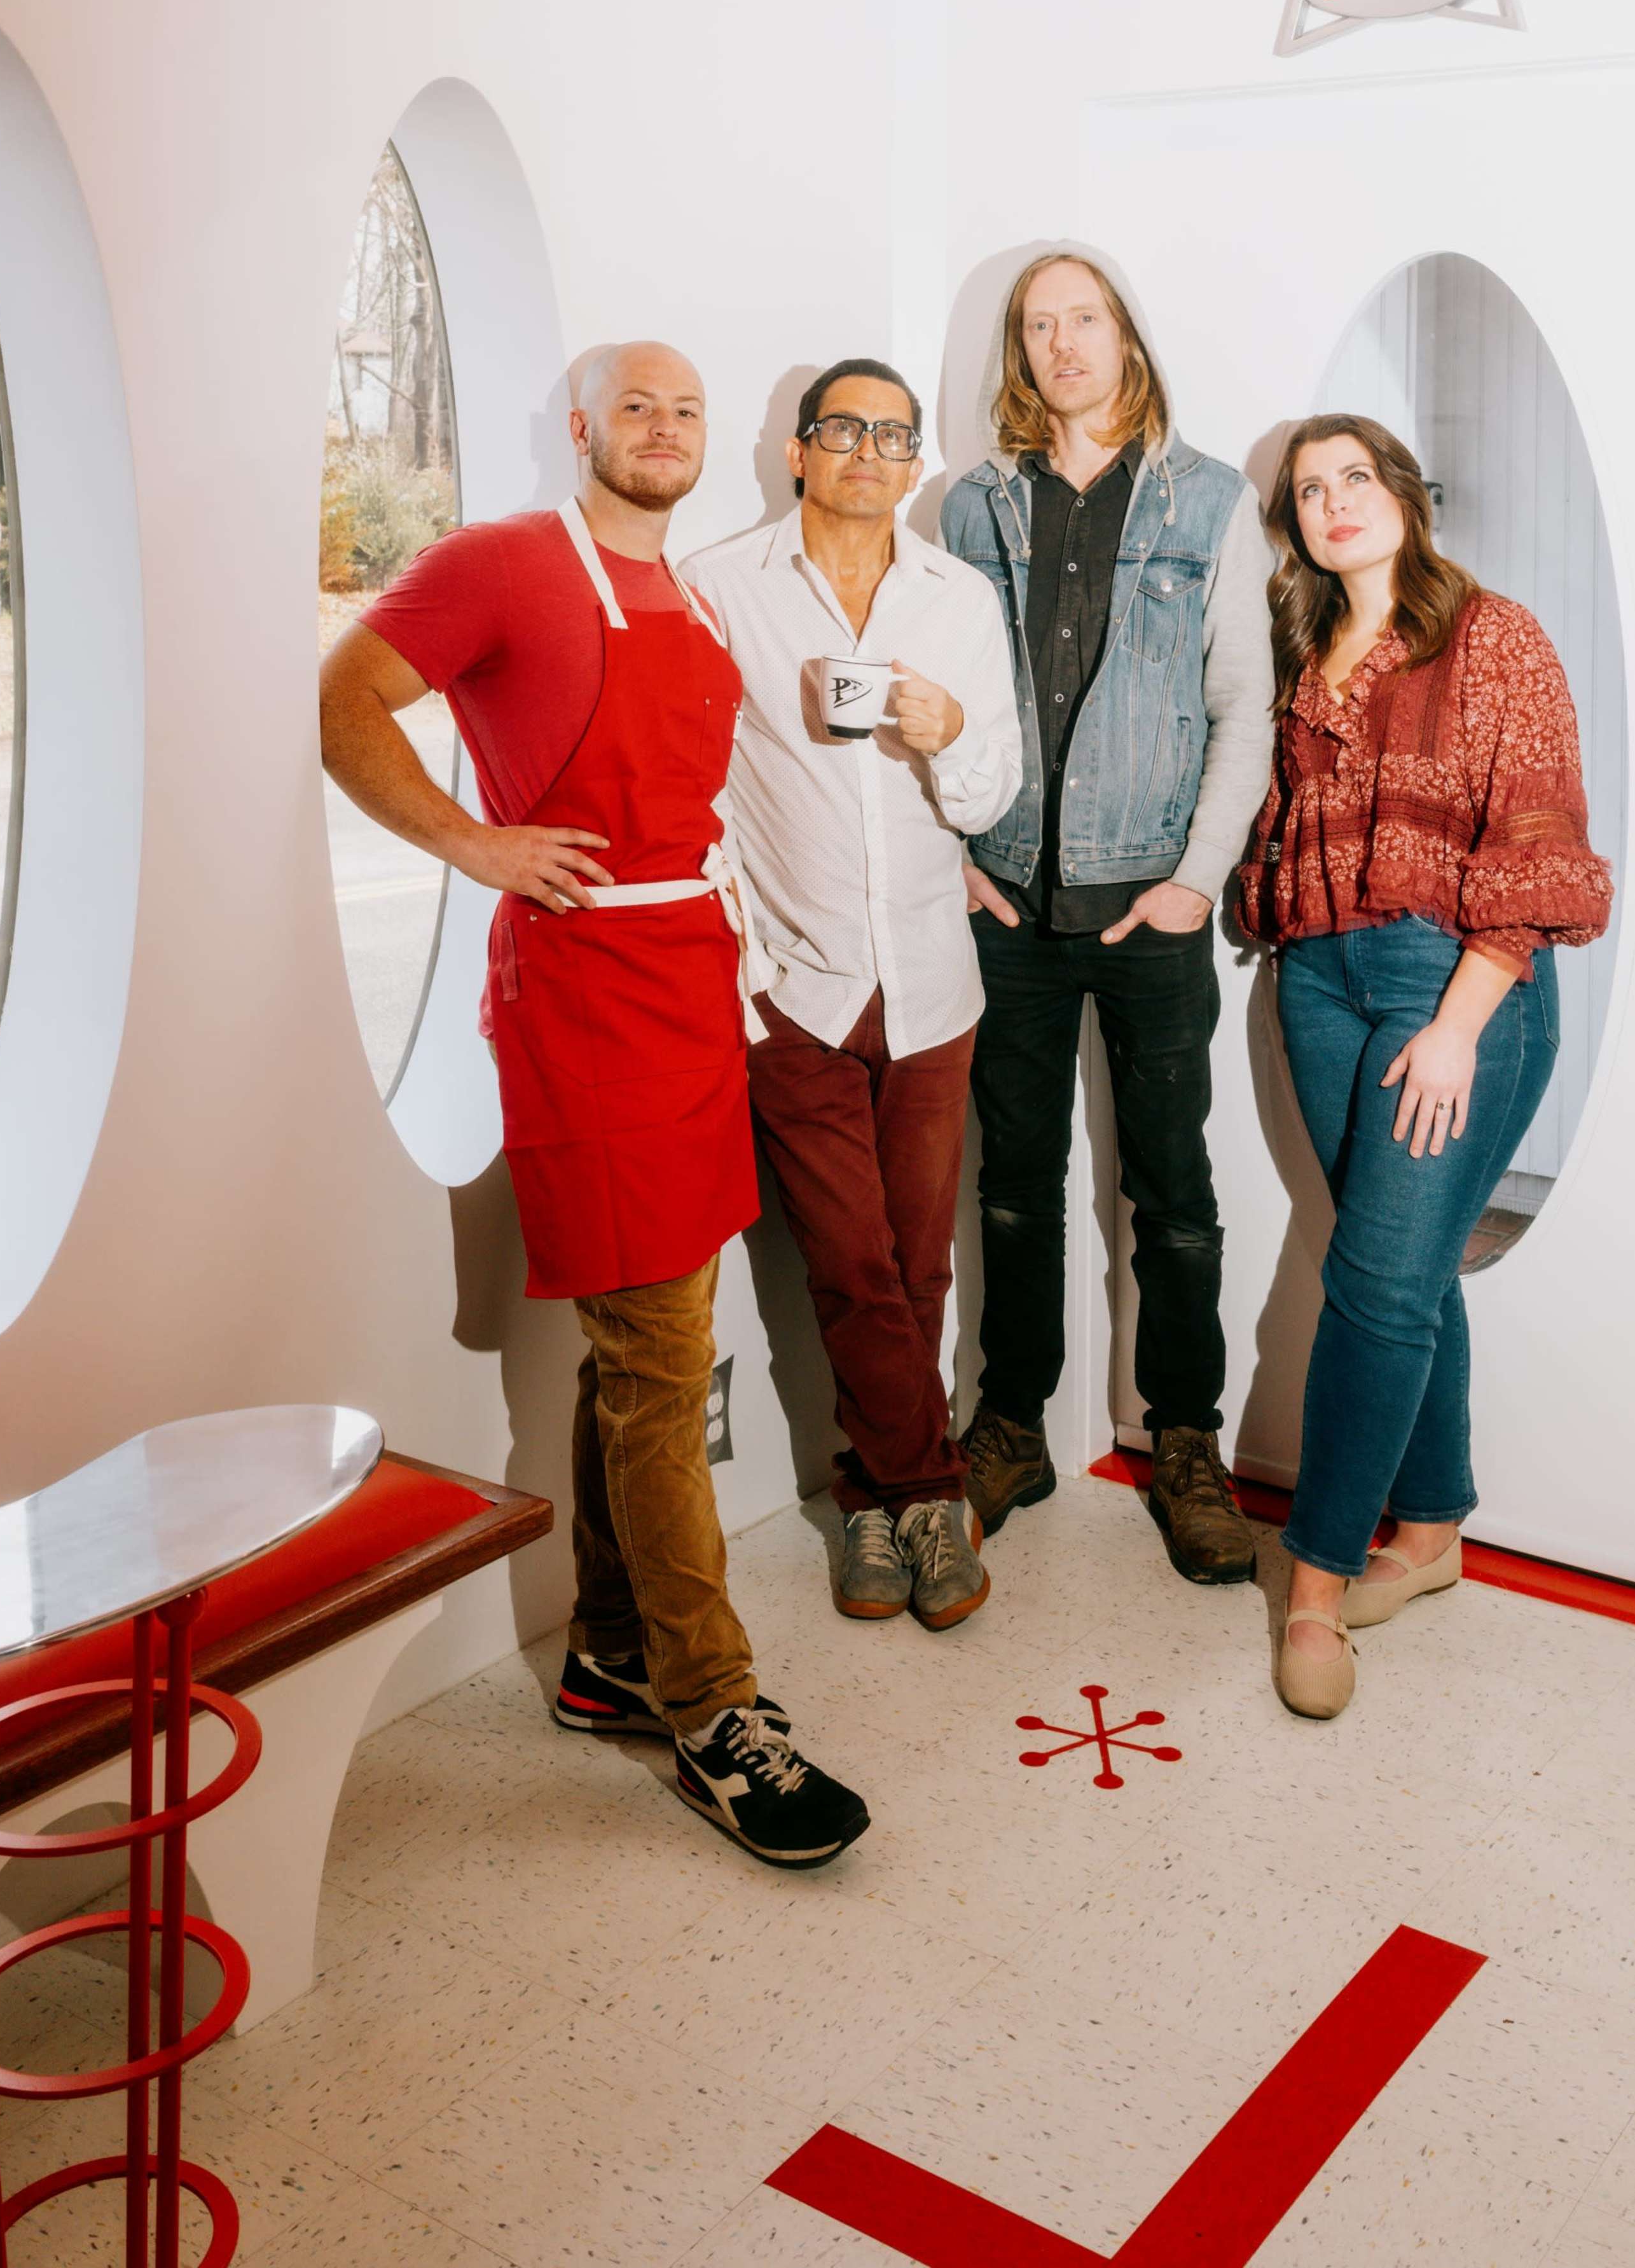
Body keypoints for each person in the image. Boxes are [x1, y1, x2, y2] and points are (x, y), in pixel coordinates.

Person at [318, 341, 869, 1868]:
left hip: (688, 981)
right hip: (577, 997)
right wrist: (474, 844)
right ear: (576, 428)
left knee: (646, 1347)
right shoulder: (501, 564)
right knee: (659, 1359)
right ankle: (713, 1714)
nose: (664, 428)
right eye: (635, 405)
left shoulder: (689, 595)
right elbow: (342, 697)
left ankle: (609, 1650)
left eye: (686, 409)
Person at [1234, 417, 1613, 1721]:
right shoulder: (1304, 649)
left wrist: (1455, 1025)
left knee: (1377, 1279)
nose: (1335, 503)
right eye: (1309, 490)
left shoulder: (1491, 633)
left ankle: (1321, 1579)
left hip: (1451, 980)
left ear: (1403, 493)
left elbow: (1541, 828)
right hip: (1319, 981)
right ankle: (1436, 1528)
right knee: (1402, 1261)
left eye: (1356, 478)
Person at [939, 254, 1274, 1584]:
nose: (1064, 343)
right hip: (1008, 898)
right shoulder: (972, 506)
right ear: (1021, 355)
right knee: (1013, 1188)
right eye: (1040, 326)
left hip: (1156, 902)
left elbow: (1243, 699)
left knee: (1174, 1192)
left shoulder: (1212, 500)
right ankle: (1012, 1424)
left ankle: (1185, 1441)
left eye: (1086, 319)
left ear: (1127, 338)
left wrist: (1198, 873)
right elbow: (935, 686)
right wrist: (954, 848)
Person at [685, 359, 1021, 1630]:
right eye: (846, 430)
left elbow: (992, 796)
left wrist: (946, 731)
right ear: (800, 452)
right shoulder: (721, 587)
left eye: (897, 434)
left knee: (918, 1262)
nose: (872, 452)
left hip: (933, 978)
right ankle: (934, 1497)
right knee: (850, 1261)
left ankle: (872, 1501)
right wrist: (733, 941)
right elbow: (696, 779)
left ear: (916, 460)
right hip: (793, 982)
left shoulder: (959, 599)